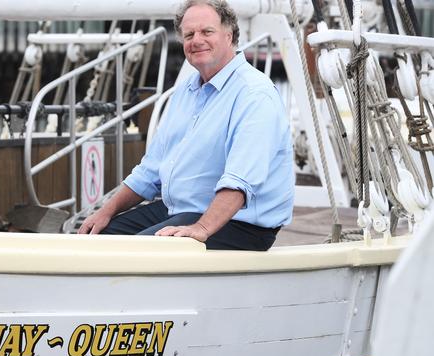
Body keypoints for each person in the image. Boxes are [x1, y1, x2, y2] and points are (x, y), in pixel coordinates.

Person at [77, 0, 294, 250]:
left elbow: (240, 181)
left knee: (132, 252)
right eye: (189, 34)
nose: (196, 40)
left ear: (229, 35)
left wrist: (201, 229)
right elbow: (150, 171)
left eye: (207, 32)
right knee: (95, 241)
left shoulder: (254, 94)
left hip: (240, 225)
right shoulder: (185, 91)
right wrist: (105, 212)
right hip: (182, 210)